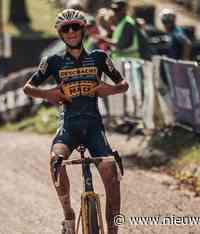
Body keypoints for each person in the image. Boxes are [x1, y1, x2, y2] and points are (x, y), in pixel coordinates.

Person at [23, 9, 129, 234]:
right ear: (60, 33)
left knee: (110, 171)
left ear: (83, 30)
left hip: (93, 127)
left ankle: (113, 229)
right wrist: (49, 94)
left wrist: (109, 89)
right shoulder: (52, 61)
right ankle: (69, 216)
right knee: (56, 161)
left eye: (75, 27)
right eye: (65, 28)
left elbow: (124, 84)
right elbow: (28, 87)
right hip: (68, 128)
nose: (71, 32)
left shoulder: (99, 57)